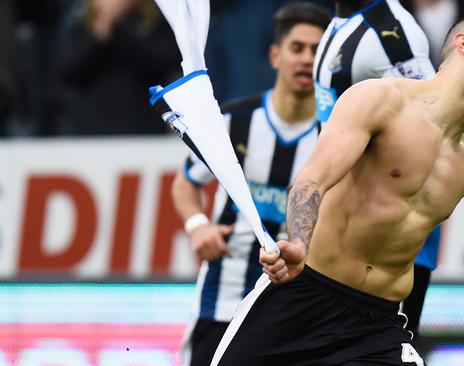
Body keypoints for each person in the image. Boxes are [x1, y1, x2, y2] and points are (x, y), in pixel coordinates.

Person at [212, 11, 464, 365]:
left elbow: (407, 243)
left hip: (376, 327)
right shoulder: (382, 100)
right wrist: (299, 242)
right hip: (302, 299)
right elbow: (311, 179)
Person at [170, 3, 330, 365]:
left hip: (294, 310)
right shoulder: (232, 121)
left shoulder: (333, 135)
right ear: (275, 56)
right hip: (222, 301)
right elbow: (185, 183)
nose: (306, 59)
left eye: (316, 51)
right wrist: (197, 227)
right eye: (297, 48)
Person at [313, 0, 438, 344]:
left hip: (387, 246)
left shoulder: (392, 32)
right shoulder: (340, 23)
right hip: (344, 233)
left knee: (378, 351)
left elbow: (435, 123)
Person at [51, 0, 179, 135]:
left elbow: (164, 61)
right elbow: (65, 71)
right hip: (88, 132)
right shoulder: (79, 25)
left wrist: (118, 26)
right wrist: (98, 35)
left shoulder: (154, 24)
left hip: (142, 129)